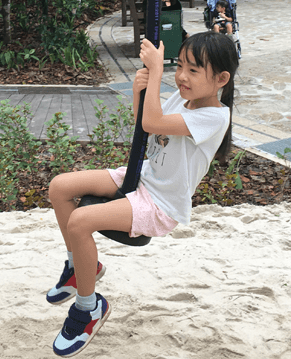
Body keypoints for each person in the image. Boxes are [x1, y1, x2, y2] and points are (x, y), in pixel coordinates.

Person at [46, 32, 237, 357]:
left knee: (80, 222)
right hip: (144, 176)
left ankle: (88, 308)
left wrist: (157, 72)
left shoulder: (215, 117)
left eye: (193, 70)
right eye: (180, 66)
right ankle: (80, 268)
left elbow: (153, 120)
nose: (181, 76)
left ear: (220, 79)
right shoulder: (183, 99)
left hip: (161, 204)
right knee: (59, 187)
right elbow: (145, 125)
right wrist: (140, 92)